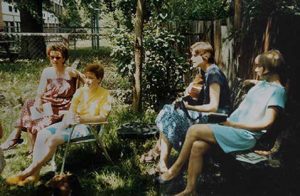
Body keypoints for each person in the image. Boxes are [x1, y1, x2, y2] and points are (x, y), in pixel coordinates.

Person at [158, 49, 288, 196]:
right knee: (197, 146)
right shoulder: (263, 84)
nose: (255, 69)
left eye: (259, 66)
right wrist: (251, 82)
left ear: (268, 69)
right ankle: (190, 190)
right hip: (232, 129)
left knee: (194, 130)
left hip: (244, 136)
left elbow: (266, 123)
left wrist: (233, 125)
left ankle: (175, 169)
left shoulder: (278, 92)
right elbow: (262, 85)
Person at [6, 63, 112, 186]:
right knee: (42, 134)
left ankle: (27, 173)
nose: (87, 81)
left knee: (52, 140)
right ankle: (35, 176)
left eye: (91, 78)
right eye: (86, 77)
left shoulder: (105, 94)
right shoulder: (80, 92)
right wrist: (69, 116)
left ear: (99, 79)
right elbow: (72, 110)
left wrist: (82, 119)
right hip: (70, 123)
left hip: (87, 127)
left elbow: (103, 117)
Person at [143, 42, 231, 173]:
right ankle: (161, 161)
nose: (191, 59)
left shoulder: (214, 74)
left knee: (170, 116)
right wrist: (191, 87)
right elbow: (198, 89)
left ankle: (160, 158)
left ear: (205, 56)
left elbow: (213, 107)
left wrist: (189, 107)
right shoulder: (206, 72)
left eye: (194, 55)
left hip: (215, 119)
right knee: (168, 111)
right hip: (208, 117)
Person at [0, 44, 84, 154]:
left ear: (64, 58)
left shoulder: (70, 72)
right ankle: (31, 149)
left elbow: (86, 81)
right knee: (30, 104)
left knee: (32, 117)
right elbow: (40, 91)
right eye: (51, 57)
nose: (54, 60)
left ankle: (17, 138)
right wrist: (38, 102)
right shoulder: (47, 71)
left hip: (62, 106)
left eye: (58, 57)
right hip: (47, 104)